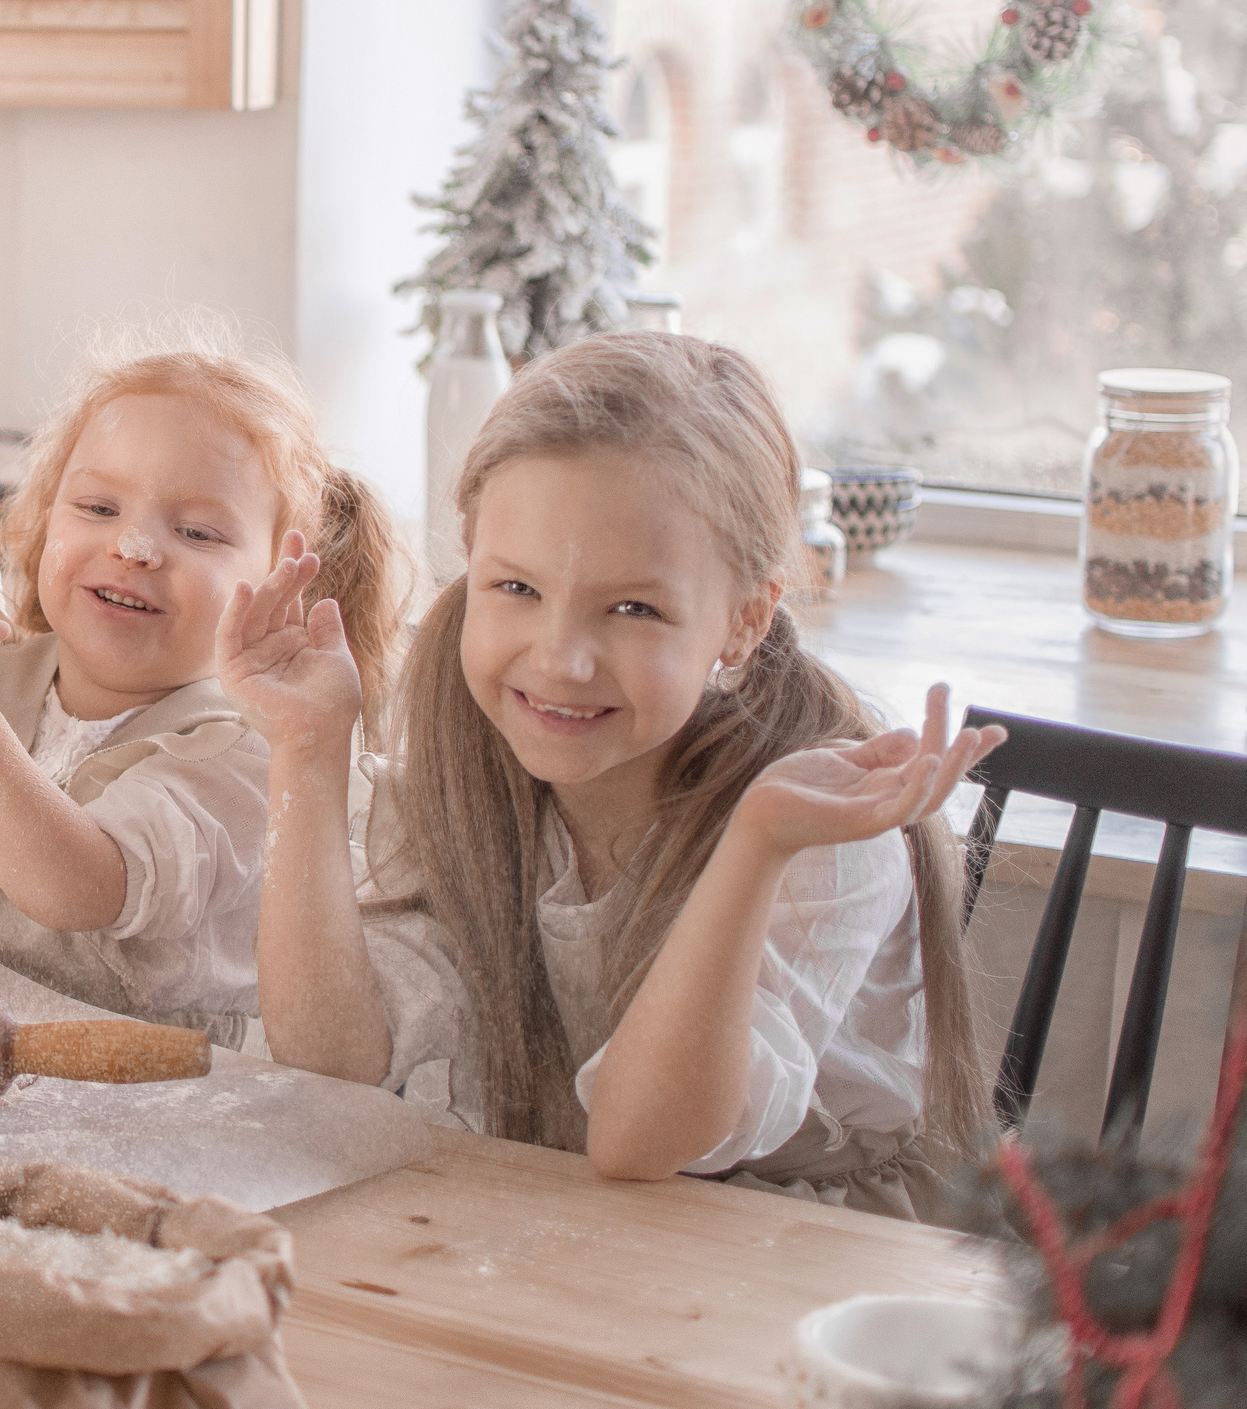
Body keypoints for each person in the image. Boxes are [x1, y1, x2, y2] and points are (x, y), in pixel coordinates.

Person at [221, 332, 1000, 1218]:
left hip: (803, 1252)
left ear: (744, 621)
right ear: (470, 556)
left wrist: (754, 845)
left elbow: (640, 1140)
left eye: (634, 608)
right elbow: (334, 1056)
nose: (561, 659)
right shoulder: (463, 745)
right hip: (587, 1222)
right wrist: (308, 750)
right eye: (516, 587)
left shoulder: (819, 825)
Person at [0, 336, 405, 1042]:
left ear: (281, 577)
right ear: (42, 517)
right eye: (97, 507)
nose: (136, 546)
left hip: (149, 1110)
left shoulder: (243, 757)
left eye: (198, 531)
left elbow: (72, 886)